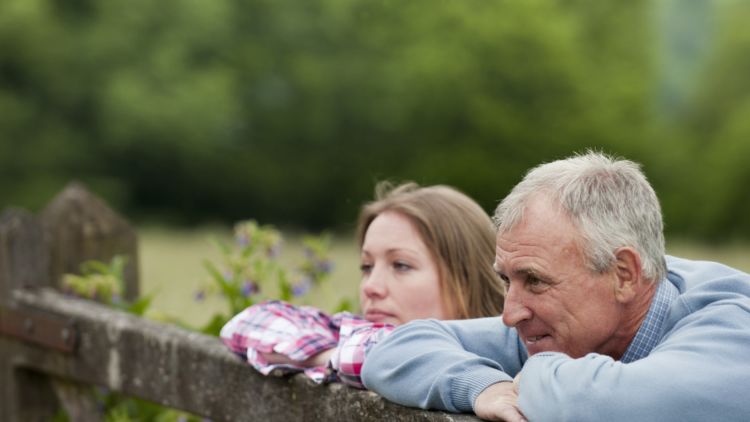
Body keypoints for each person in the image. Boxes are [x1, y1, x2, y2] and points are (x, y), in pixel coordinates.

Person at [361, 152, 750, 421]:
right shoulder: (563, 326)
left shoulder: (733, 324)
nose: (511, 314)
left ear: (624, 275)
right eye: (506, 279)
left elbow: (614, 403)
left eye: (535, 281)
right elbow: (394, 349)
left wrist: (533, 377)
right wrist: (485, 386)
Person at [220, 182, 506, 388]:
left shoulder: (510, 356)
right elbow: (247, 323)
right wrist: (337, 355)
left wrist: (361, 359)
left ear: (466, 278)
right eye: (367, 267)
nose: (371, 286)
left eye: (401, 265)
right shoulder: (356, 339)